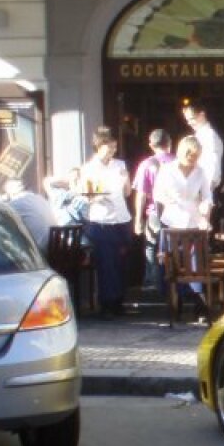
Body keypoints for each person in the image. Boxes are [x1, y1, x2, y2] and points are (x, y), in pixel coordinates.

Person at [154, 135, 214, 318]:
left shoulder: (200, 171)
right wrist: (169, 201)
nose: (194, 161)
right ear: (183, 153)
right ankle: (174, 303)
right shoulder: (167, 170)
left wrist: (206, 213)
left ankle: (199, 303)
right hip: (172, 220)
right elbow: (157, 194)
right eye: (191, 156)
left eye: (197, 157)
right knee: (172, 262)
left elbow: (207, 197)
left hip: (193, 221)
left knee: (195, 262)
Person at [80, 125, 133, 318]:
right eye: (109, 147)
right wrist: (97, 197)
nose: (112, 151)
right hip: (101, 219)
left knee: (121, 261)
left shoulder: (119, 165)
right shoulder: (89, 168)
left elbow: (127, 192)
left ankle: (119, 301)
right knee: (106, 262)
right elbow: (87, 196)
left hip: (121, 217)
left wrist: (126, 179)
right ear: (99, 146)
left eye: (114, 148)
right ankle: (107, 304)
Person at [132, 128, 174, 291]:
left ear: (151, 145)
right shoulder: (178, 162)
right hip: (176, 212)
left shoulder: (147, 164)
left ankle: (153, 282)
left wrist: (137, 219)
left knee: (151, 245)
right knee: (174, 245)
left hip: (155, 211)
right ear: (169, 143)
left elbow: (141, 194)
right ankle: (173, 281)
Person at [4, 179, 53, 256]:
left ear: (9, 193)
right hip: (56, 247)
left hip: (38, 253)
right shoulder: (40, 198)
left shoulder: (16, 204)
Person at [182, 102, 223, 191]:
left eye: (191, 119)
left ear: (202, 115)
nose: (189, 123)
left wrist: (205, 192)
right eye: (187, 120)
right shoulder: (200, 135)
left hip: (203, 188)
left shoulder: (209, 136)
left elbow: (212, 165)